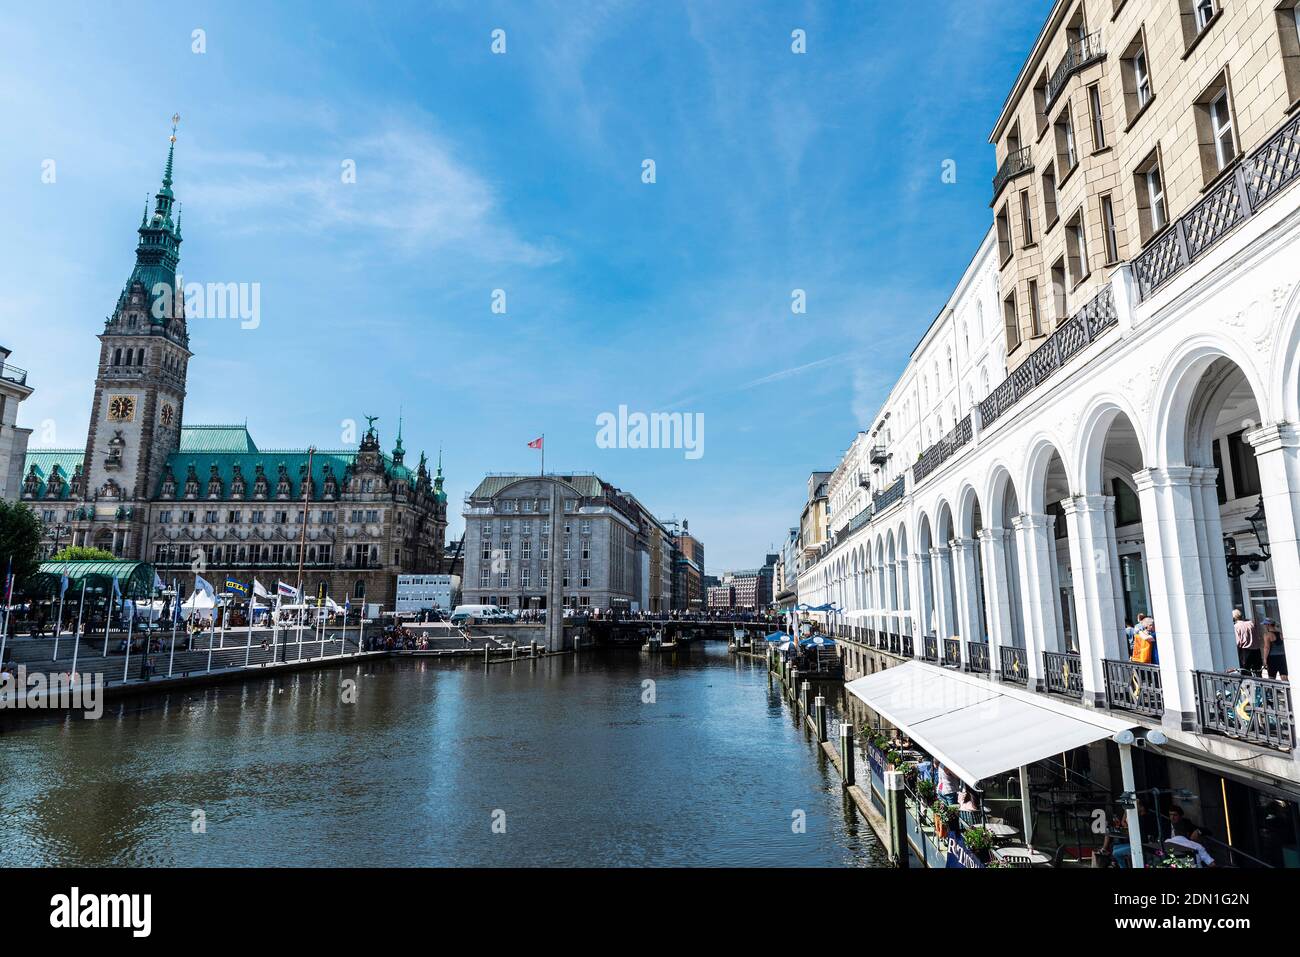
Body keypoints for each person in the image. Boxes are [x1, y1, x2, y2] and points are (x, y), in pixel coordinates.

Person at [1233, 609, 1262, 674]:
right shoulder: (1251, 623)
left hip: (1245, 651)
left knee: (1245, 672)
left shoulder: (1236, 627)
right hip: (1256, 650)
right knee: (1258, 672)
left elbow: (1237, 642)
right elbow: (1258, 635)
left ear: (1234, 618)